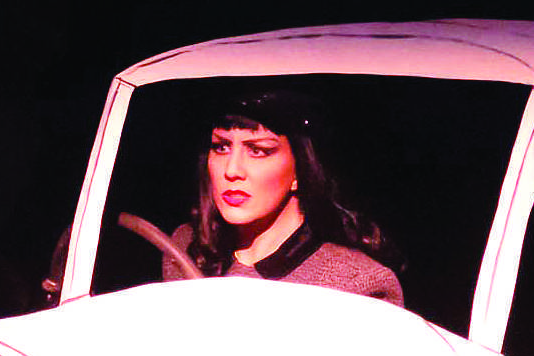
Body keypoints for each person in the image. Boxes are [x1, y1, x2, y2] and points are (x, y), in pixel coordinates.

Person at [161, 90, 404, 304]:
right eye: (222, 147)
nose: (232, 170)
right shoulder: (184, 248)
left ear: (300, 169)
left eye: (258, 150)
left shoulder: (356, 284)